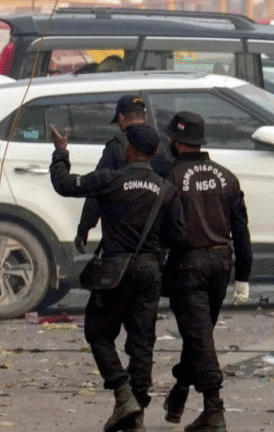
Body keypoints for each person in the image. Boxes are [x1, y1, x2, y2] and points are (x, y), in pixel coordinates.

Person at [49, 124, 186, 432]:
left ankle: (123, 394)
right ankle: (135, 412)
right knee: (142, 343)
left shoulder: (111, 180)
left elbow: (64, 184)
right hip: (150, 271)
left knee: (98, 333)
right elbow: (177, 235)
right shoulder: (167, 190)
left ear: (128, 150)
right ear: (154, 153)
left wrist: (61, 152)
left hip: (115, 270)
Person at [161, 112, 252, 432]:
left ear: (176, 141)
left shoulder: (171, 178)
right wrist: (243, 275)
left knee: (199, 337)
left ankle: (214, 408)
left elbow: (164, 231)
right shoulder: (227, 177)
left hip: (189, 265)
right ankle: (180, 394)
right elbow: (241, 230)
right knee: (198, 335)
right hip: (221, 264)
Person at [75, 94, 174, 254]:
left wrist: (84, 228)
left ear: (121, 117)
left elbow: (97, 190)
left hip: (122, 237)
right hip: (158, 235)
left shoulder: (117, 146)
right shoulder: (165, 144)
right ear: (145, 117)